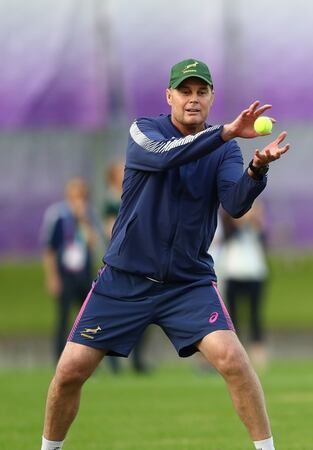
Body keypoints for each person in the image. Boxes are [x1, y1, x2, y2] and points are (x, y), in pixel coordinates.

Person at [40, 58, 290, 450]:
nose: (193, 99)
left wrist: (257, 168)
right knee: (70, 370)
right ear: (168, 96)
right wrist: (224, 133)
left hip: (187, 283)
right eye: (185, 91)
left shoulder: (223, 151)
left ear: (211, 97)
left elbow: (236, 204)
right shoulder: (144, 132)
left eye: (201, 91)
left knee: (233, 361)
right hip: (125, 278)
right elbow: (166, 155)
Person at [41, 177, 101, 364]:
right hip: (65, 274)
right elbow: (49, 249)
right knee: (63, 317)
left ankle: (89, 359)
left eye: (81, 196)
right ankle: (59, 359)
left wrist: (82, 220)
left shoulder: (88, 215)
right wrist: (52, 277)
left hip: (83, 274)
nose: (78, 200)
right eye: (75, 195)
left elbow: (93, 243)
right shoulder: (58, 215)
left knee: (88, 318)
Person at [102, 160, 147, 373]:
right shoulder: (112, 201)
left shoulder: (133, 193)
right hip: (121, 263)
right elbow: (111, 231)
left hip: (140, 263)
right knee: (115, 314)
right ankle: (113, 360)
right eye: (121, 170)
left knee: (143, 313)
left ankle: (137, 359)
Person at [218, 203, 270, 366]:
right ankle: (236, 353)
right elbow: (226, 238)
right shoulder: (227, 221)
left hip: (255, 273)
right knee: (232, 317)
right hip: (233, 273)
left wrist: (256, 222)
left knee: (255, 315)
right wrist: (240, 221)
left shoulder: (256, 226)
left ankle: (258, 352)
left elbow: (263, 243)